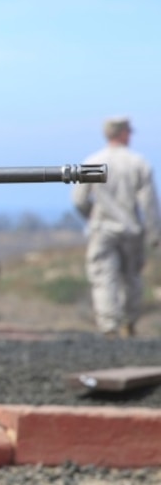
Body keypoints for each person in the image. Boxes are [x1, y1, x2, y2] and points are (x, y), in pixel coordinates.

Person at [72, 116, 160, 338]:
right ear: (124, 133)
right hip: (131, 229)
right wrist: (154, 234)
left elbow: (79, 200)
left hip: (102, 229)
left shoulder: (93, 161)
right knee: (131, 277)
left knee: (104, 277)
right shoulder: (138, 163)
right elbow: (149, 204)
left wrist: (92, 217)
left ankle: (109, 325)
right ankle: (128, 322)